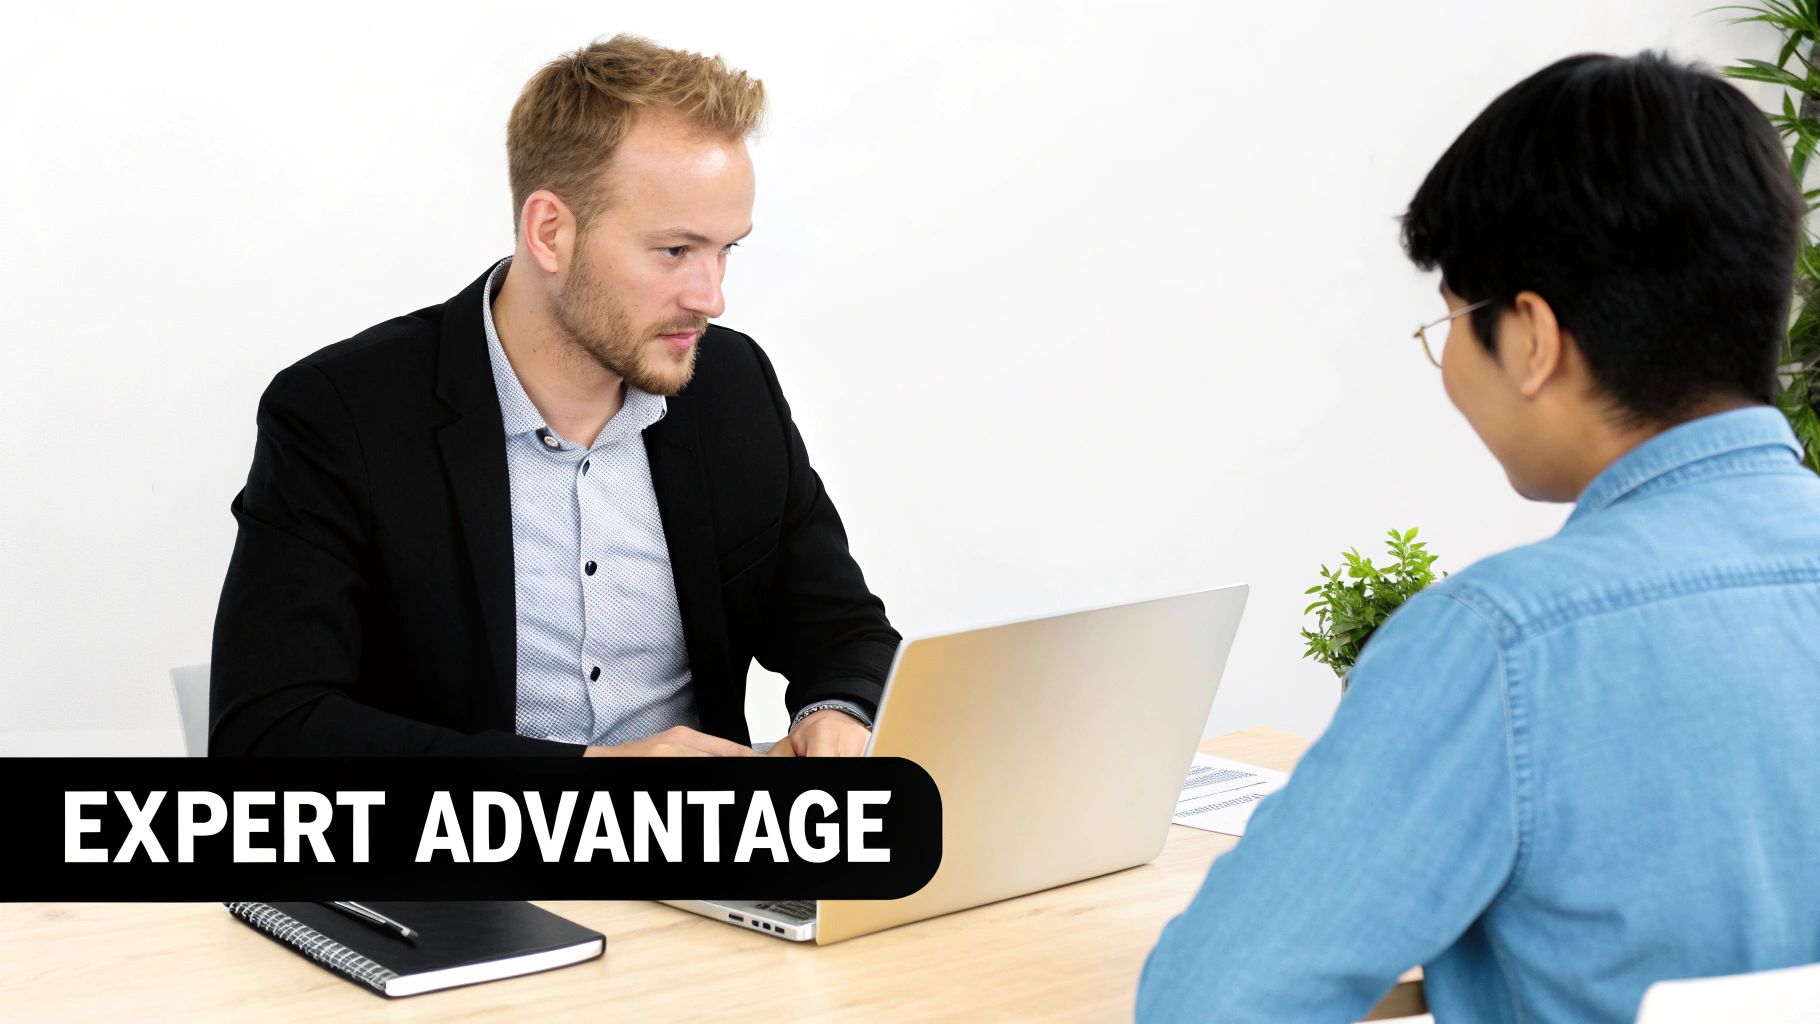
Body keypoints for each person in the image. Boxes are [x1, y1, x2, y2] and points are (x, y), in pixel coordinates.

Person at [1138, 52, 1820, 1022]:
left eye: (1454, 317)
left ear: (1532, 338)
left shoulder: (1499, 646)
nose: (1447, 359)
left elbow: (1208, 1003)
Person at [210, 36, 898, 759]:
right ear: (550, 231)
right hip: (466, 862)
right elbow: (268, 734)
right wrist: (591, 781)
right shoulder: (339, 415)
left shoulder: (730, 386)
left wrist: (839, 713)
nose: (712, 297)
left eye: (726, 250)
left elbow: (843, 631)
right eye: (675, 251)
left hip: (706, 864)